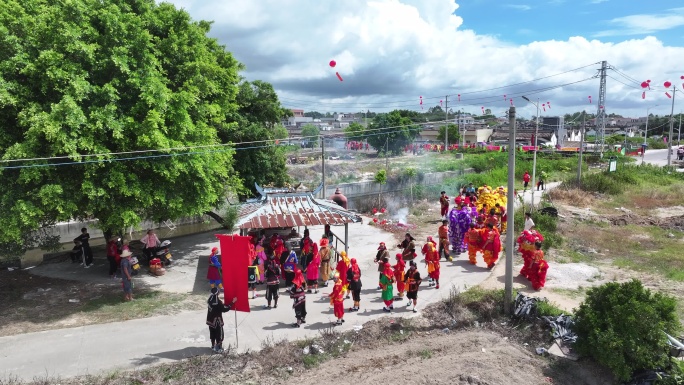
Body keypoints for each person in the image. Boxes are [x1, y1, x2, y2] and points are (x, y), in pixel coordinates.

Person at [206, 288, 238, 353]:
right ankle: (219, 348)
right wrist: (232, 302)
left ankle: (213, 345)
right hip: (217, 321)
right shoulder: (218, 302)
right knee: (219, 334)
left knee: (212, 333)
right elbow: (225, 309)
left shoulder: (210, 300)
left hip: (210, 320)